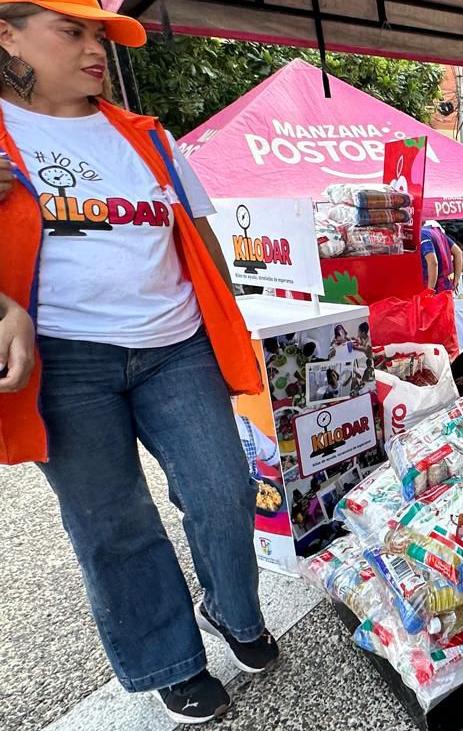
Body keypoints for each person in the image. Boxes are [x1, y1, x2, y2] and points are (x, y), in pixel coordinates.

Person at [0, 0, 277, 724]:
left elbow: (202, 236)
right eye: (73, 32)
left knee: (223, 488)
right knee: (113, 522)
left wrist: (229, 331)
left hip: (177, 346)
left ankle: (231, 606)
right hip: (64, 362)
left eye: (100, 35)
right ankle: (168, 660)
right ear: (6, 32)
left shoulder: (148, 136)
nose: (96, 50)